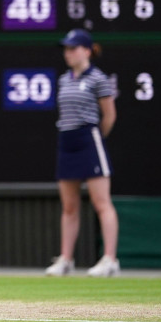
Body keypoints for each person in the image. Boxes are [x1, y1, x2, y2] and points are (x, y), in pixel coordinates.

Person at [45, 29, 120, 278]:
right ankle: (66, 259)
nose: (68, 53)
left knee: (101, 203)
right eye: (66, 48)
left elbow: (109, 116)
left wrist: (95, 138)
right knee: (69, 206)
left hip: (89, 139)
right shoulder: (63, 80)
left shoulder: (99, 78)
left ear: (87, 50)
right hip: (66, 141)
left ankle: (110, 259)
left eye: (73, 48)